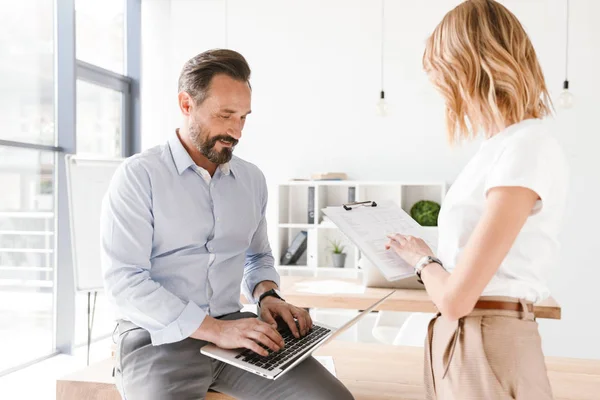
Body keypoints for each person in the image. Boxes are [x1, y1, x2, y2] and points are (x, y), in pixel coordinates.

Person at [101, 49, 354, 400]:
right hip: (156, 340)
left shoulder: (251, 180)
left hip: (236, 334)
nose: (235, 130)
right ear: (186, 104)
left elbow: (258, 256)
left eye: (243, 117)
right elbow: (124, 281)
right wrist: (214, 330)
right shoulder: (139, 176)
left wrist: (267, 295)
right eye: (225, 116)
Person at [385, 1, 568, 399]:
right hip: (467, 338)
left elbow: (456, 298)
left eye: (444, 73)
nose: (441, 89)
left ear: (471, 67)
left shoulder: (527, 147)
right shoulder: (498, 148)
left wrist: (421, 259)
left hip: (488, 339)